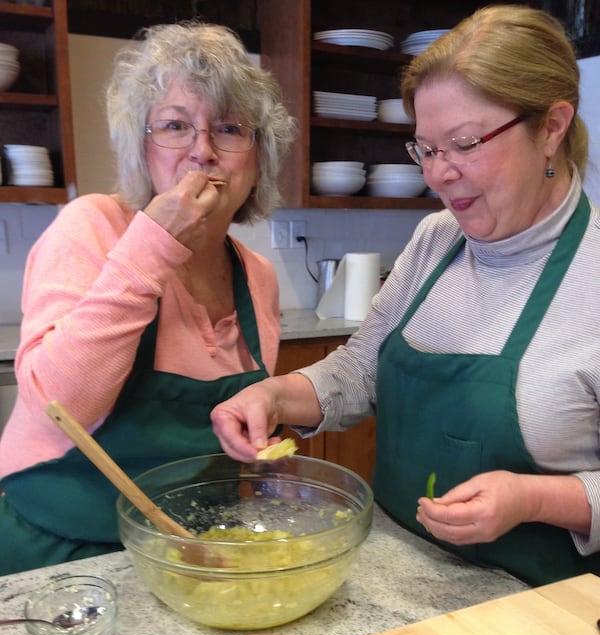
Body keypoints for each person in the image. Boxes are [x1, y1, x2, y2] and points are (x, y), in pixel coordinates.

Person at [211, 5, 600, 587]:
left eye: (464, 143)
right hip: (396, 578)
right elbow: (361, 371)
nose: (438, 175)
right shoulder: (434, 240)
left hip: (534, 612)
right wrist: (274, 396)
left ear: (552, 126)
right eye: (426, 149)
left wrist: (532, 498)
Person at [0, 21, 295, 574]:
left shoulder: (256, 276)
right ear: (141, 148)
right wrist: (152, 249)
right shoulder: (90, 228)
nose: (201, 152)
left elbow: (234, 432)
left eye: (229, 129)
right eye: (175, 126)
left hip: (189, 552)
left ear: (259, 159)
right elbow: (61, 406)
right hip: (59, 551)